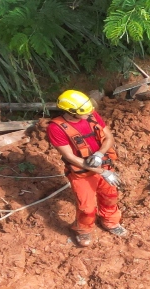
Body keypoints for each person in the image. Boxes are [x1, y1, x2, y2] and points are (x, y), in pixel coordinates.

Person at [47, 90, 125, 248]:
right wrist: (102, 172)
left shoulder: (91, 114)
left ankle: (110, 222)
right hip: (81, 174)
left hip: (103, 164)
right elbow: (70, 157)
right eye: (85, 112)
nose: (90, 113)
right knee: (87, 207)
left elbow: (108, 137)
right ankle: (82, 229)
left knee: (110, 196)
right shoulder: (56, 128)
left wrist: (99, 154)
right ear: (71, 112)